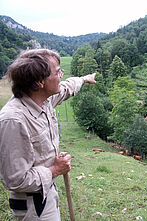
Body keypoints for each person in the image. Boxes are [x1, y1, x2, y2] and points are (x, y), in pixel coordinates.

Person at [0, 48, 96, 220]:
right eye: (58, 72)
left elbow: (67, 88)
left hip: (47, 193)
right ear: (39, 82)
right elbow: (15, 180)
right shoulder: (14, 121)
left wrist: (83, 79)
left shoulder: (44, 100)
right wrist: (54, 169)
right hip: (33, 206)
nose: (62, 75)